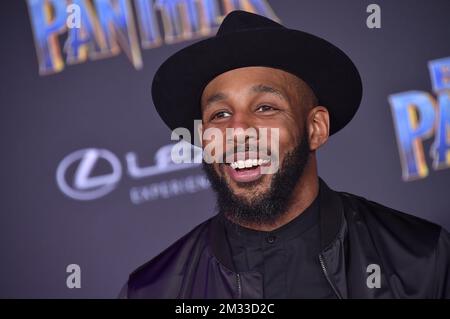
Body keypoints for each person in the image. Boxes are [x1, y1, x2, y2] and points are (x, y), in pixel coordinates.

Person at [120, 10, 450, 299]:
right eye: (219, 115)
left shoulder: (422, 260)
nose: (238, 131)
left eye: (265, 107)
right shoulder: (154, 290)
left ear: (315, 128)